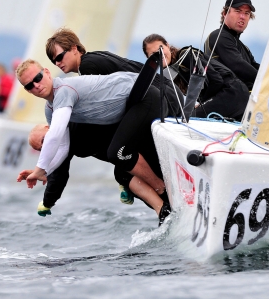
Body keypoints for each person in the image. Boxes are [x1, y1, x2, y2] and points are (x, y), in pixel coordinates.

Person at [15, 58, 172, 224]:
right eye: (29, 85)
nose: (36, 85)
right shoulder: (50, 108)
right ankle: (165, 212)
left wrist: (40, 170)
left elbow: (55, 135)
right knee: (121, 170)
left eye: (37, 78)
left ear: (47, 72)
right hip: (131, 113)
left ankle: (163, 190)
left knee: (117, 153)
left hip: (144, 96)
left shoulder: (63, 90)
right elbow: (62, 147)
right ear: (28, 90)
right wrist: (43, 171)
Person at [21, 122, 160, 217]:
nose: (45, 147)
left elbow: (59, 176)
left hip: (139, 143)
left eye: (44, 140)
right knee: (122, 174)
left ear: (48, 127)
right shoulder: (61, 143)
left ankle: (163, 209)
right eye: (41, 149)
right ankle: (163, 211)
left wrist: (46, 204)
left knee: (122, 174)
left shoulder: (68, 129)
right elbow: (58, 170)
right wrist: (41, 173)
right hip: (125, 157)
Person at [46, 28, 184, 116]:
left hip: (164, 100)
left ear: (74, 49)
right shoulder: (96, 56)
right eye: (54, 61)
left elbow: (101, 105)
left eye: (59, 57)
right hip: (172, 94)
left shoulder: (86, 67)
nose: (57, 63)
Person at [143, 34, 248, 121]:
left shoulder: (185, 56)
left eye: (161, 48)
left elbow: (216, 80)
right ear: (149, 59)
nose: (160, 54)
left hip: (232, 91)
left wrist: (201, 104)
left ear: (168, 46)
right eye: (153, 53)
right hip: (233, 96)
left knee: (189, 119)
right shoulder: (170, 74)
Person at [203, 0, 260, 90]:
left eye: (247, 13)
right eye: (238, 11)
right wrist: (267, 81)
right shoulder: (218, 36)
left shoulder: (243, 47)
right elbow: (238, 66)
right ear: (225, 13)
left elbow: (257, 68)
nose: (242, 16)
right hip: (226, 101)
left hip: (243, 99)